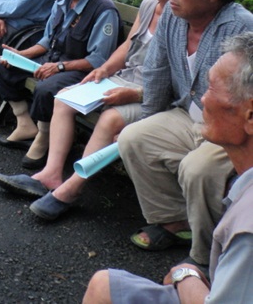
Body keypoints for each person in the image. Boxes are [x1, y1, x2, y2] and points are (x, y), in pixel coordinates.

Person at [0, 0, 194, 219]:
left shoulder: (184, 17)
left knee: (109, 117)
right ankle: (50, 174)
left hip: (148, 91)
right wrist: (104, 70)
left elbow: (180, 77)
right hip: (123, 78)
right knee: (64, 98)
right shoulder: (148, 5)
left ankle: (71, 189)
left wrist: (134, 94)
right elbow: (127, 47)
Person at [82, 32, 253, 304]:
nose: (204, 100)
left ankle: (200, 261)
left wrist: (184, 274)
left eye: (212, 88)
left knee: (104, 286)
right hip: (179, 116)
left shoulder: (248, 229)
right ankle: (177, 224)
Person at [116, 0, 253, 268]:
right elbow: (156, 73)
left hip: (229, 127)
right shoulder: (173, 20)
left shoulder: (242, 27)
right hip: (189, 114)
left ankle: (206, 259)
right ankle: (177, 220)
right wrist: (150, 121)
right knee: (133, 138)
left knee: (198, 169)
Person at [0, 0, 120, 168]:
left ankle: (44, 135)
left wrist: (59, 67)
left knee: (46, 87)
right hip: (53, 59)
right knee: (2, 65)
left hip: (80, 71)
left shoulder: (103, 10)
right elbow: (45, 41)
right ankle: (24, 122)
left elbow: (98, 60)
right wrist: (20, 55)